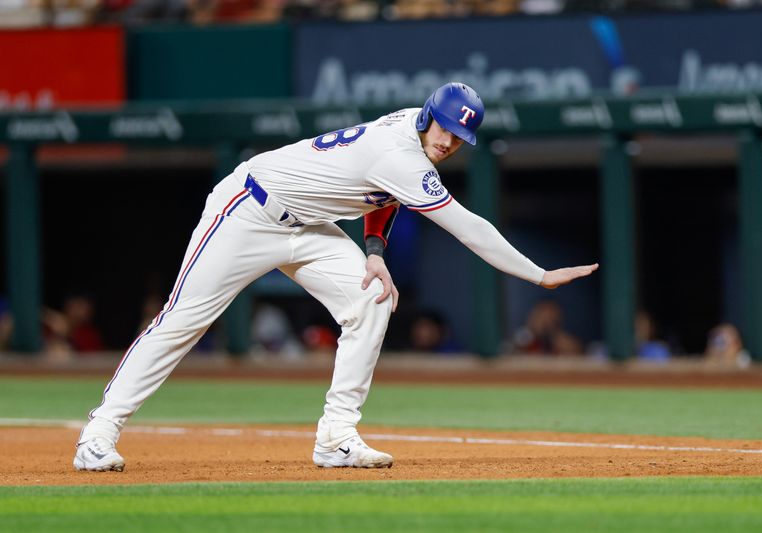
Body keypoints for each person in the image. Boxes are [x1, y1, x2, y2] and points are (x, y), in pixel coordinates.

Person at [73, 82, 598, 472]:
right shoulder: (400, 152)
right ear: (427, 118)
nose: (450, 142)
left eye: (461, 136)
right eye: (446, 129)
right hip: (248, 209)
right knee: (182, 320)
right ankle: (99, 432)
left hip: (307, 225)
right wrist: (537, 274)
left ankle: (337, 436)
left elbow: (382, 196)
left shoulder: (411, 132)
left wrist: (373, 250)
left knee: (371, 298)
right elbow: (467, 226)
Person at [511, 299, 583, 355]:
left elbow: (578, 353)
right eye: (542, 315)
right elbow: (513, 351)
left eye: (550, 316)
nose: (546, 320)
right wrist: (533, 331)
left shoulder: (562, 340)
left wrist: (553, 334)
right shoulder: (525, 336)